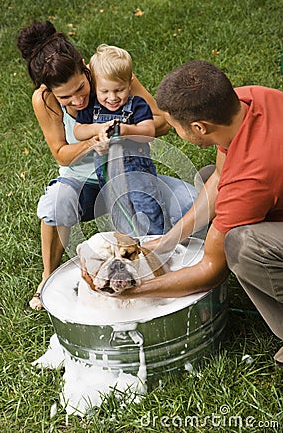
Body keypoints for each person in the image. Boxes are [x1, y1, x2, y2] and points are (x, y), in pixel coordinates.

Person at [17, 20, 196, 310]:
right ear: (48, 90)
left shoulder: (110, 78)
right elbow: (61, 153)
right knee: (55, 203)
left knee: (193, 204)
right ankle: (48, 275)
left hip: (130, 174)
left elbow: (162, 122)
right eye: (66, 98)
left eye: (81, 88)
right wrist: (95, 139)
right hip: (83, 182)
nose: (77, 100)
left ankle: (165, 273)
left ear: (85, 68)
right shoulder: (44, 100)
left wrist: (124, 128)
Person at [119, 60, 283, 367]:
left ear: (198, 127)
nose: (175, 132)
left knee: (242, 245)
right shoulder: (247, 100)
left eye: (177, 127)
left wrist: (134, 292)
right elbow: (220, 177)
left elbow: (211, 269)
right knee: (208, 176)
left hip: (261, 180)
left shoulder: (250, 177)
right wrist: (168, 240)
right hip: (267, 179)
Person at [74, 44, 164, 236]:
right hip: (108, 174)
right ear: (95, 87)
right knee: (120, 212)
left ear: (130, 85)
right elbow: (78, 131)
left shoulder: (136, 105)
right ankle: (131, 251)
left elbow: (149, 131)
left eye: (119, 90)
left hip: (138, 173)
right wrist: (98, 129)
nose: (112, 97)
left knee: (147, 208)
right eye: (104, 91)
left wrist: (125, 130)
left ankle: (156, 246)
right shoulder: (92, 108)